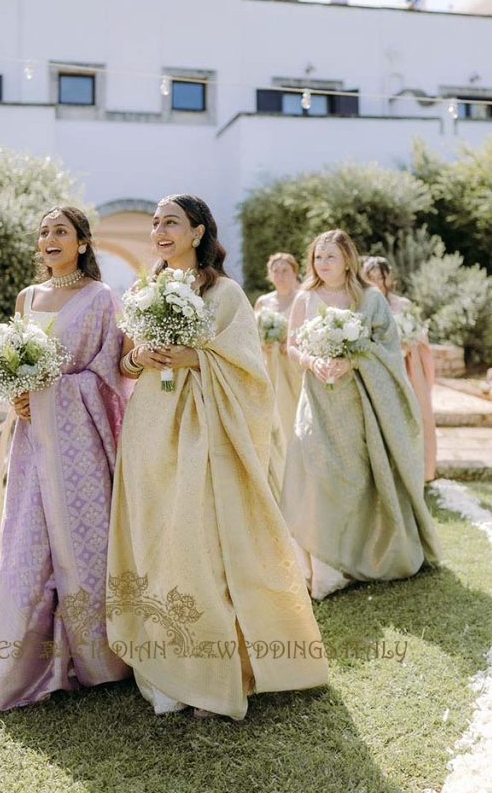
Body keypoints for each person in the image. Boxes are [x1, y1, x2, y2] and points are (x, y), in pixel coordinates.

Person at [107, 195, 328, 720]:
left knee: (199, 542)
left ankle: (215, 672)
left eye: (172, 222)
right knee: (156, 540)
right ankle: (166, 670)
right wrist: (142, 355)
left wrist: (194, 358)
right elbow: (125, 361)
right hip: (149, 430)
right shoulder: (144, 290)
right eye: (156, 222)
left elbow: (250, 373)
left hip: (205, 431)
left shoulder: (226, 294)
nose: (160, 230)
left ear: (199, 232)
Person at [0, 206, 132, 711]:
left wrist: (55, 392)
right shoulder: (27, 298)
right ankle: (29, 660)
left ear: (82, 243)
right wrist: (18, 394)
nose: (50, 238)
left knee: (78, 543)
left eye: (61, 231)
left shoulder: (101, 299)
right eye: (44, 231)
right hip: (31, 442)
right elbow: (15, 365)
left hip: (79, 445)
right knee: (29, 540)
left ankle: (94, 658)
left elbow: (110, 375)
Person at [281, 229, 441, 601]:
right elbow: (291, 345)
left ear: (348, 260)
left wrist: (352, 360)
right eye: (318, 257)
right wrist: (313, 361)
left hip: (360, 405)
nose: (322, 264)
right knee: (318, 472)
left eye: (330, 257)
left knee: (355, 477)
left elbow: (387, 347)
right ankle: (325, 570)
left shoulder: (369, 299)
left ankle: (362, 558)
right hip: (317, 401)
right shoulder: (305, 298)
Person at [363, 256, 437, 482]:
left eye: (381, 277)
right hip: (377, 368)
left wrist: (409, 342)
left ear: (388, 278)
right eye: (371, 277)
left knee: (413, 415)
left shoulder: (403, 305)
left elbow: (419, 334)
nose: (377, 282)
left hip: (406, 367)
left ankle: (419, 471)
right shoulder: (362, 303)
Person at [254, 253, 302, 454]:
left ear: (294, 273)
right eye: (276, 271)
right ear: (270, 275)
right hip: (269, 365)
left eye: (285, 271)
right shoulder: (263, 302)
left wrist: (291, 342)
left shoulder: (302, 299)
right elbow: (252, 334)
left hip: (293, 367)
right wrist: (262, 344)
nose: (280, 275)